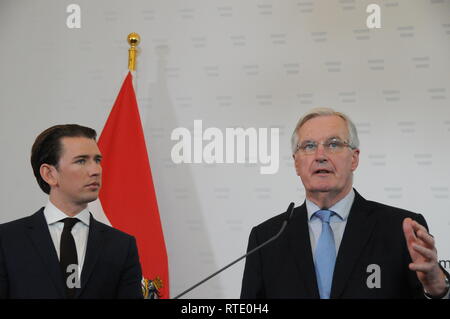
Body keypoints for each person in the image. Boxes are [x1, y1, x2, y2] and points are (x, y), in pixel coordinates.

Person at [240, 107, 450, 299]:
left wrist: (437, 288)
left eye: (333, 144)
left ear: (354, 159)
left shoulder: (401, 229)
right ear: (296, 163)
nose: (320, 156)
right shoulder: (266, 238)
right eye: (309, 146)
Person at [0, 124, 143, 299]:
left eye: (97, 160)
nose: (95, 170)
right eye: (81, 161)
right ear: (49, 174)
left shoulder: (121, 245)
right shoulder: (7, 240)